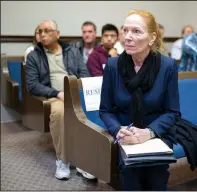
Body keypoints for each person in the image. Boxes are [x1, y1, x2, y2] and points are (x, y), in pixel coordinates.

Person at [99, 10, 180, 190]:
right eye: (125, 30)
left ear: (151, 38)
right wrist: (118, 130)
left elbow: (172, 112)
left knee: (156, 173)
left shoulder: (167, 66)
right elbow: (105, 110)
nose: (128, 37)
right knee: (130, 171)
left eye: (136, 31)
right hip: (125, 133)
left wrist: (149, 132)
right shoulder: (112, 65)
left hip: (156, 133)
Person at [25, 20, 96, 180]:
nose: (43, 34)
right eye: (40, 31)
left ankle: (84, 159)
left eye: (47, 31)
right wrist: (57, 93)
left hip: (75, 93)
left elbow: (84, 72)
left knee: (91, 111)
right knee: (60, 113)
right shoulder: (34, 56)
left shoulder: (72, 51)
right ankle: (62, 159)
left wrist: (80, 89)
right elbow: (32, 85)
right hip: (53, 96)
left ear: (57, 33)